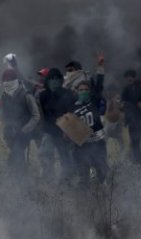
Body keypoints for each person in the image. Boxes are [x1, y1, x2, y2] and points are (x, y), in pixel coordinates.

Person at [71, 53, 109, 186]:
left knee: (102, 172)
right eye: (81, 90)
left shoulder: (93, 101)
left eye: (86, 89)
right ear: (76, 91)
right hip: (82, 145)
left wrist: (100, 67)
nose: (83, 91)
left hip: (97, 142)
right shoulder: (72, 107)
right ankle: (84, 199)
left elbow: (99, 85)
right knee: (83, 175)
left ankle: (101, 195)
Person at [38, 68, 77, 183]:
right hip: (49, 131)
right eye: (51, 79)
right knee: (45, 154)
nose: (54, 82)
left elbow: (72, 113)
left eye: (57, 79)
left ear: (61, 81)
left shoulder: (68, 94)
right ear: (48, 81)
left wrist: (68, 130)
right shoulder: (43, 95)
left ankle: (66, 180)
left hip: (65, 132)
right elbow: (41, 113)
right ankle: (48, 179)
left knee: (67, 158)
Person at [0, 68, 40, 176]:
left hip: (23, 133)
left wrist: (25, 129)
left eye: (10, 79)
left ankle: (21, 182)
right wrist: (7, 129)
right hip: (10, 133)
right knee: (14, 155)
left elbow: (36, 116)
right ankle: (16, 180)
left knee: (18, 156)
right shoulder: (4, 96)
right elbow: (4, 114)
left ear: (15, 79)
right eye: (5, 79)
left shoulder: (26, 95)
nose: (7, 81)